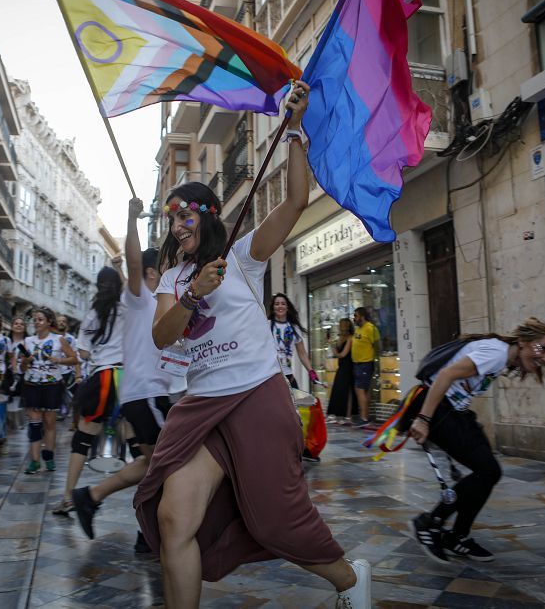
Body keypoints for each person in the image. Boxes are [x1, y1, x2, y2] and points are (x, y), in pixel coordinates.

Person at [134, 82, 371, 609]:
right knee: (175, 515)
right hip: (202, 408)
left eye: (186, 213)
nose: (178, 223)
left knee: (274, 519)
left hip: (256, 397)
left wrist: (292, 129)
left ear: (209, 216)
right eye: (173, 216)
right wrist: (193, 295)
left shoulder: (244, 255)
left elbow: (294, 201)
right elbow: (160, 336)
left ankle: (351, 582)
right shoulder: (174, 277)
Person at [65, 197, 174, 552]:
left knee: (154, 464)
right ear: (152, 273)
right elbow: (133, 256)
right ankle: (141, 526)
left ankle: (96, 498)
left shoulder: (163, 302)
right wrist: (131, 220)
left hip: (147, 394)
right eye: (168, 266)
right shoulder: (141, 298)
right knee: (166, 464)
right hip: (145, 394)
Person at [409, 318, 545, 563]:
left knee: (488, 472)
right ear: (523, 342)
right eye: (541, 348)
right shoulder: (496, 353)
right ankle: (430, 523)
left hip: (453, 411)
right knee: (487, 471)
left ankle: (457, 536)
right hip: (437, 408)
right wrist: (423, 419)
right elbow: (445, 375)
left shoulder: (501, 357)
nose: (543, 357)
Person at [54, 266, 124, 512]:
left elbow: (83, 353)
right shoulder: (128, 308)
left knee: (82, 441)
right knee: (138, 445)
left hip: (102, 378)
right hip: (127, 379)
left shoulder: (92, 313)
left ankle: (68, 497)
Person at [19, 307, 78, 474]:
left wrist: (58, 360)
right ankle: (35, 461)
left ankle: (49, 456)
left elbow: (74, 359)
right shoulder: (28, 341)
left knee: (50, 423)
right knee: (35, 424)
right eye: (35, 319)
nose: (37, 322)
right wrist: (26, 361)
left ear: (49, 322)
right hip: (31, 385)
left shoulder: (59, 339)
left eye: (40, 319)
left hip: (52, 385)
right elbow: (22, 368)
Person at [268, 293, 319, 391]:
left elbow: (302, 353)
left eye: (283, 304)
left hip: (288, 376)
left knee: (295, 405)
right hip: (270, 376)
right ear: (273, 307)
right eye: (277, 304)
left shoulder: (294, 328)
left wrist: (311, 371)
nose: (280, 306)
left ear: (287, 307)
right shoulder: (267, 325)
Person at [351, 307, 380, 428]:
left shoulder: (370, 328)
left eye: (356, 316)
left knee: (360, 389)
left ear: (362, 316)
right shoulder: (359, 329)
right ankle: (365, 415)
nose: (354, 318)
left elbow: (377, 345)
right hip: (357, 364)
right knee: (363, 391)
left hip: (366, 363)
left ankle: (364, 417)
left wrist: (376, 361)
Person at [326, 318, 357, 425]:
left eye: (342, 325)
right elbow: (337, 353)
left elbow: (342, 354)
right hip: (342, 366)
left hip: (348, 366)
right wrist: (332, 345)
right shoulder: (341, 338)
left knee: (347, 391)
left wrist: (333, 346)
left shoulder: (350, 338)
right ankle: (339, 414)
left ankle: (347, 416)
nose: (341, 327)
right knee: (339, 390)